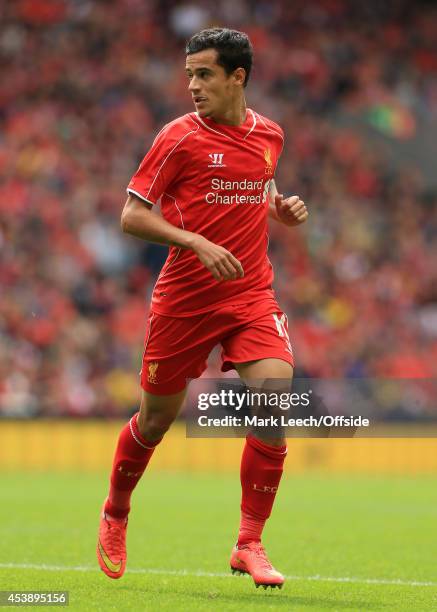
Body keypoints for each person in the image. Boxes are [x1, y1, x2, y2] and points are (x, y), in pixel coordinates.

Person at [97, 27, 308, 590]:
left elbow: (255, 185)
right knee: (156, 420)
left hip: (249, 294)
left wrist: (277, 209)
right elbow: (131, 216)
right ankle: (116, 510)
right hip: (185, 300)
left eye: (204, 74)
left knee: (272, 405)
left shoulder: (271, 135)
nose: (192, 85)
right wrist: (195, 243)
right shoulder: (177, 138)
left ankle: (249, 544)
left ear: (238, 77)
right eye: (189, 74)